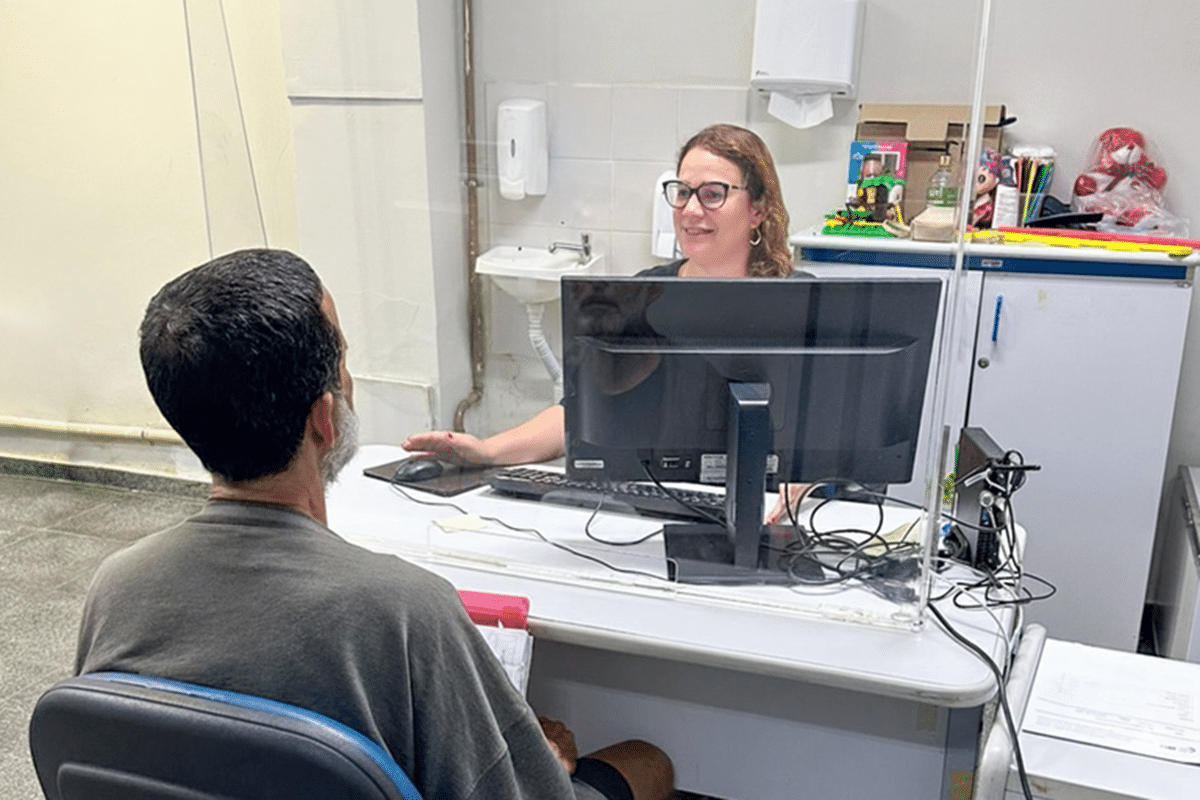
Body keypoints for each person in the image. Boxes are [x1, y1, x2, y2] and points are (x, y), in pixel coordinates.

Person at [74, 249, 674, 800]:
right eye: (343, 358)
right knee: (646, 760)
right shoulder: (406, 613)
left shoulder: (115, 589)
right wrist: (537, 758)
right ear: (325, 420)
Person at [403, 122, 793, 467]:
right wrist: (488, 451)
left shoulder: (798, 304)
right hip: (656, 503)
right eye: (682, 192)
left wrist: (803, 483)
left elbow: (830, 429)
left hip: (763, 505)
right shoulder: (644, 296)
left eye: (712, 194)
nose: (690, 210)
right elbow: (580, 411)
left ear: (757, 209)